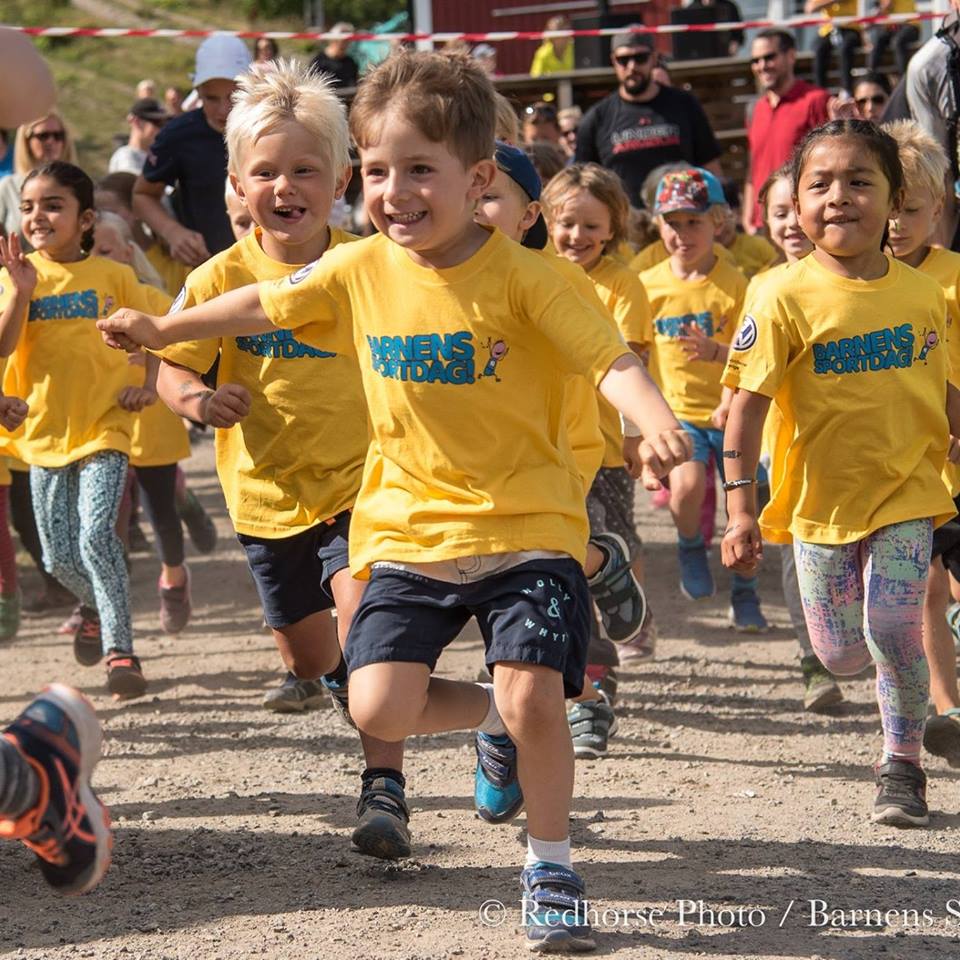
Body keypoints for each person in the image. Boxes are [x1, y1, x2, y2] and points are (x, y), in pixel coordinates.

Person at [98, 50, 692, 951]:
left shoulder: (529, 279)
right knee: (373, 705)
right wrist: (163, 330)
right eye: (378, 171)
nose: (395, 191)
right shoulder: (360, 268)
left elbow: (608, 359)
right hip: (406, 528)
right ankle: (492, 716)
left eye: (421, 169)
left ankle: (552, 863)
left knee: (538, 698)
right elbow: (263, 303)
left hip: (527, 524)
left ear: (478, 177)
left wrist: (654, 421)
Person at [151, 61, 410, 858]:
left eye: (305, 169)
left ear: (340, 179)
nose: (285, 185)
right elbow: (168, 364)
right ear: (236, 183)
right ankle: (342, 688)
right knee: (311, 654)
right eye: (266, 171)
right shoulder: (217, 278)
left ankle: (384, 790)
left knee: (366, 629)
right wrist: (198, 401)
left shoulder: (368, 265)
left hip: (363, 485)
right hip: (264, 498)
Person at [721, 119, 960, 826]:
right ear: (793, 201)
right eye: (819, 183)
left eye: (861, 181)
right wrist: (739, 510)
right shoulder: (778, 295)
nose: (839, 197)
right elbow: (743, 412)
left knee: (894, 628)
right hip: (819, 506)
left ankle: (902, 765)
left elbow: (944, 387)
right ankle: (866, 678)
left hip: (909, 492)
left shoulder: (922, 295)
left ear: (894, 201)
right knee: (842, 656)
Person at [474, 144, 646, 755]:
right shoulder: (439, 275)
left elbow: (617, 362)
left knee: (554, 575)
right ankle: (601, 570)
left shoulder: (565, 280)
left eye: (488, 196)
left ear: (527, 214)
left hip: (577, 453)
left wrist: (638, 431)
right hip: (486, 470)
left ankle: (587, 687)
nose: (473, 209)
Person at [0, 161, 157, 699]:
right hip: (43, 434)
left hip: (104, 428)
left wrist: (148, 384)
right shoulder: (15, 277)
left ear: (86, 218)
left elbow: (157, 330)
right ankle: (94, 603)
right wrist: (21, 291)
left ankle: (121, 651)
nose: (37, 216)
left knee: (95, 536)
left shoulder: (113, 276)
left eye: (52, 205)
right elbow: (2, 346)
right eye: (27, 207)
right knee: (57, 558)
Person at [719, 164, 844, 710]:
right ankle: (814, 660)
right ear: (763, 220)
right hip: (784, 451)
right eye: (778, 213)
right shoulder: (763, 287)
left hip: (858, 450)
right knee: (798, 557)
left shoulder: (867, 278)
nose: (791, 223)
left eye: (797, 209)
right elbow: (743, 376)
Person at [641, 167, 767, 631]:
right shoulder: (648, 283)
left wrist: (728, 398)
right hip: (678, 415)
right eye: (672, 223)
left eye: (693, 222)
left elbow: (749, 351)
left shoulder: (737, 284)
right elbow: (635, 351)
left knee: (744, 509)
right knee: (688, 489)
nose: (682, 234)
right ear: (659, 227)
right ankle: (690, 545)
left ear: (718, 222)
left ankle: (745, 592)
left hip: (733, 415)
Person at [541, 163, 657, 663]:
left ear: (613, 227)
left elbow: (634, 363)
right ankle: (583, 642)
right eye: (567, 222)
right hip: (549, 440)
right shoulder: (536, 273)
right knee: (569, 538)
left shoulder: (623, 284)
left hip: (606, 442)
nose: (577, 235)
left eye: (592, 225)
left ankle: (635, 614)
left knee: (618, 538)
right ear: (544, 219)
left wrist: (636, 435)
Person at [883, 119, 960, 763]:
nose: (898, 226)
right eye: (891, 210)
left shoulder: (954, 276)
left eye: (913, 211)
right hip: (905, 471)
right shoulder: (860, 285)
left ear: (940, 207)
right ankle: (946, 707)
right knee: (928, 591)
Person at [92, 211, 193, 633]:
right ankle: (93, 604)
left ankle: (174, 574)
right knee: (101, 521)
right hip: (100, 423)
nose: (96, 258)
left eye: (104, 250)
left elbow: (174, 341)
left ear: (128, 252)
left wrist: (150, 381)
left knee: (160, 512)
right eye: (88, 251)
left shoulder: (149, 295)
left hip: (152, 425)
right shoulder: (82, 299)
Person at [134, 35, 252, 268]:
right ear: (196, 91)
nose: (223, 109)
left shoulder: (272, 128)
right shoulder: (179, 134)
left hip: (271, 263)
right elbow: (142, 195)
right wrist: (173, 232)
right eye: (211, 98)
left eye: (234, 97)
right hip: (210, 268)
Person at [575, 27, 722, 209]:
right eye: (623, 60)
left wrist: (719, 210)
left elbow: (710, 166)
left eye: (640, 58)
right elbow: (583, 182)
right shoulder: (598, 117)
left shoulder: (684, 105)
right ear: (613, 61)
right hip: (627, 225)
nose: (632, 67)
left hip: (680, 218)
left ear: (654, 58)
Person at [743, 29, 830, 233]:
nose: (761, 66)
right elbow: (752, 166)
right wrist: (748, 217)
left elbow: (829, 164)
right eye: (755, 60)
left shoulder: (816, 100)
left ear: (791, 56)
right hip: (762, 224)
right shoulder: (755, 108)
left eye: (769, 57)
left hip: (800, 221)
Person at [0, 112, 77, 244]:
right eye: (43, 136)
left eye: (58, 136)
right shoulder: (8, 186)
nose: (51, 141)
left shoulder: (78, 185)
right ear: (26, 141)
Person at [808, 0, 862, 93]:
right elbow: (810, 8)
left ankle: (846, 90)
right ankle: (820, 91)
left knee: (845, 48)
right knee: (819, 49)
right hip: (828, 30)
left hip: (850, 27)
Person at [108, 98, 170, 176]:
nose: (162, 129)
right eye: (157, 123)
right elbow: (137, 184)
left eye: (165, 124)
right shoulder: (125, 155)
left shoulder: (156, 158)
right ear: (136, 121)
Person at [869, 0, 919, 77]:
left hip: (911, 25)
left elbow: (887, 5)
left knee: (897, 42)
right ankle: (871, 75)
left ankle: (903, 78)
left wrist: (881, 9)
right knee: (879, 40)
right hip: (895, 27)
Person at [310, 22, 359, 88]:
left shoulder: (350, 63)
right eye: (343, 41)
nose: (346, 44)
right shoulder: (319, 62)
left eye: (348, 41)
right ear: (333, 40)